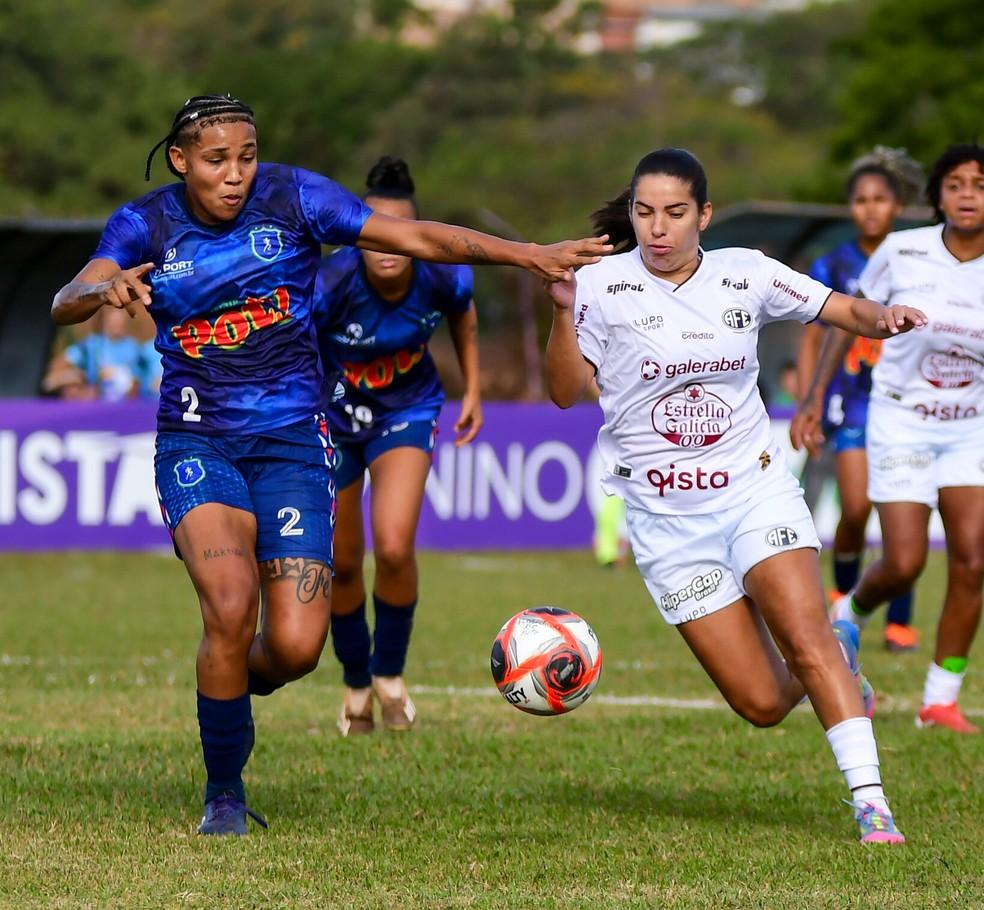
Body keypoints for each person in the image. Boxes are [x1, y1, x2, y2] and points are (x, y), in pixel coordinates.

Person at [49, 94, 611, 836]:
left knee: (294, 649)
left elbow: (419, 239)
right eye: (216, 161)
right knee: (227, 605)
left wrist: (528, 253)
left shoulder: (295, 198)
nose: (235, 175)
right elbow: (67, 297)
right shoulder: (146, 222)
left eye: (245, 157)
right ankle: (225, 792)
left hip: (292, 442)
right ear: (182, 160)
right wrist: (99, 289)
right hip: (198, 440)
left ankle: (225, 679)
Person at [544, 148, 926, 843]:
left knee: (804, 638)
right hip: (666, 524)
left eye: (675, 212)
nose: (658, 227)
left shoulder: (745, 272)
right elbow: (563, 392)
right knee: (761, 702)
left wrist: (886, 316)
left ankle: (872, 803)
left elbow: (841, 308)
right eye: (645, 211)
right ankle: (845, 661)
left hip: (754, 491)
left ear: (704, 215)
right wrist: (562, 314)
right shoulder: (598, 284)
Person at [794, 143, 984, 734]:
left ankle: (940, 698)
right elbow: (846, 321)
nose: (968, 194)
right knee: (902, 563)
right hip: (901, 418)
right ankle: (850, 609)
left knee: (973, 561)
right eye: (955, 183)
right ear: (937, 196)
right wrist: (813, 401)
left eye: (979, 183)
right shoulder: (903, 252)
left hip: (971, 426)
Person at [312, 156, 483, 735]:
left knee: (392, 547)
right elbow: (293, 346)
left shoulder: (443, 273)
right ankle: (355, 683)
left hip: (406, 411)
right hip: (331, 419)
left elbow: (463, 315)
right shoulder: (331, 283)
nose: (387, 247)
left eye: (398, 234)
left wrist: (474, 390)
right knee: (339, 560)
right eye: (373, 233)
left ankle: (389, 676)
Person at [794, 148, 924, 652]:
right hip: (850, 402)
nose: (870, 208)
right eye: (861, 200)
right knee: (855, 508)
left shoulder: (915, 257)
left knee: (902, 513)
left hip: (905, 399)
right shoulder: (834, 263)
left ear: (897, 205)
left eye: (880, 199)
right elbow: (812, 335)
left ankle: (900, 622)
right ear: (850, 206)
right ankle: (843, 598)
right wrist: (812, 397)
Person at [42, 305, 149, 401]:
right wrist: (74, 377)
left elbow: (141, 380)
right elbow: (59, 365)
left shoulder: (134, 348)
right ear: (105, 321)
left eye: (119, 322)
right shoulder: (91, 345)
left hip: (125, 404)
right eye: (113, 321)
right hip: (95, 402)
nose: (116, 325)